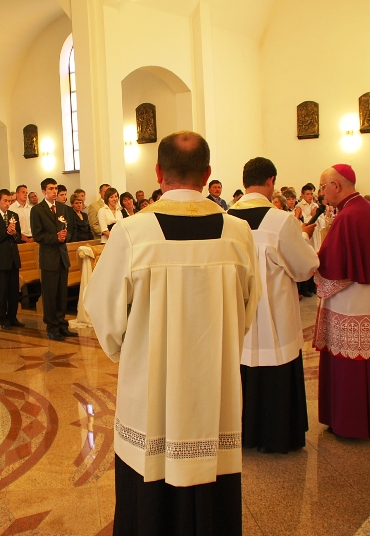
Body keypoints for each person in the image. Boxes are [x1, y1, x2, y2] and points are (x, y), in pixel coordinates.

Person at [85, 131, 259, 534]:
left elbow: (103, 313)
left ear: (158, 172)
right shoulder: (238, 232)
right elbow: (248, 310)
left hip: (151, 390)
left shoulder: (132, 232)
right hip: (215, 386)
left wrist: (135, 353)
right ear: (208, 173)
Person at [227, 157, 318, 454]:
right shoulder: (281, 220)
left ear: (244, 182)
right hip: (273, 314)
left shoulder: (225, 219)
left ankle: (241, 433)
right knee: (275, 359)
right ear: (271, 181)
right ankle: (275, 436)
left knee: (241, 364)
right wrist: (304, 237)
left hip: (237, 313)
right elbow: (304, 267)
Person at [314, 164, 370, 439]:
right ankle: (368, 418)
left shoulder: (348, 216)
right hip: (367, 299)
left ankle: (350, 423)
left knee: (349, 363)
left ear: (336, 186)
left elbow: (332, 266)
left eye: (323, 187)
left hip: (351, 302)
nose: (322, 193)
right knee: (365, 360)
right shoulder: (363, 209)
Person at [31, 178, 75, 341]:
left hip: (62, 256)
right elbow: (38, 235)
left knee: (62, 293)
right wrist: (55, 237)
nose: (54, 191)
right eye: (50, 189)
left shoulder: (63, 208)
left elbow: (69, 231)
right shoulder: (37, 210)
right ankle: (52, 327)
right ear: (44, 191)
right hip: (49, 257)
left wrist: (65, 237)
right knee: (50, 294)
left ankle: (62, 324)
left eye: (56, 188)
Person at [0, 189, 24, 330]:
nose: (8, 204)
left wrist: (14, 233)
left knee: (14, 290)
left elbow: (18, 237)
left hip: (13, 258)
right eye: (5, 201)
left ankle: (13, 317)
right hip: (0, 259)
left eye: (9, 201)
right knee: (2, 291)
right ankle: (3, 318)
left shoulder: (13, 215)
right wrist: (6, 232)